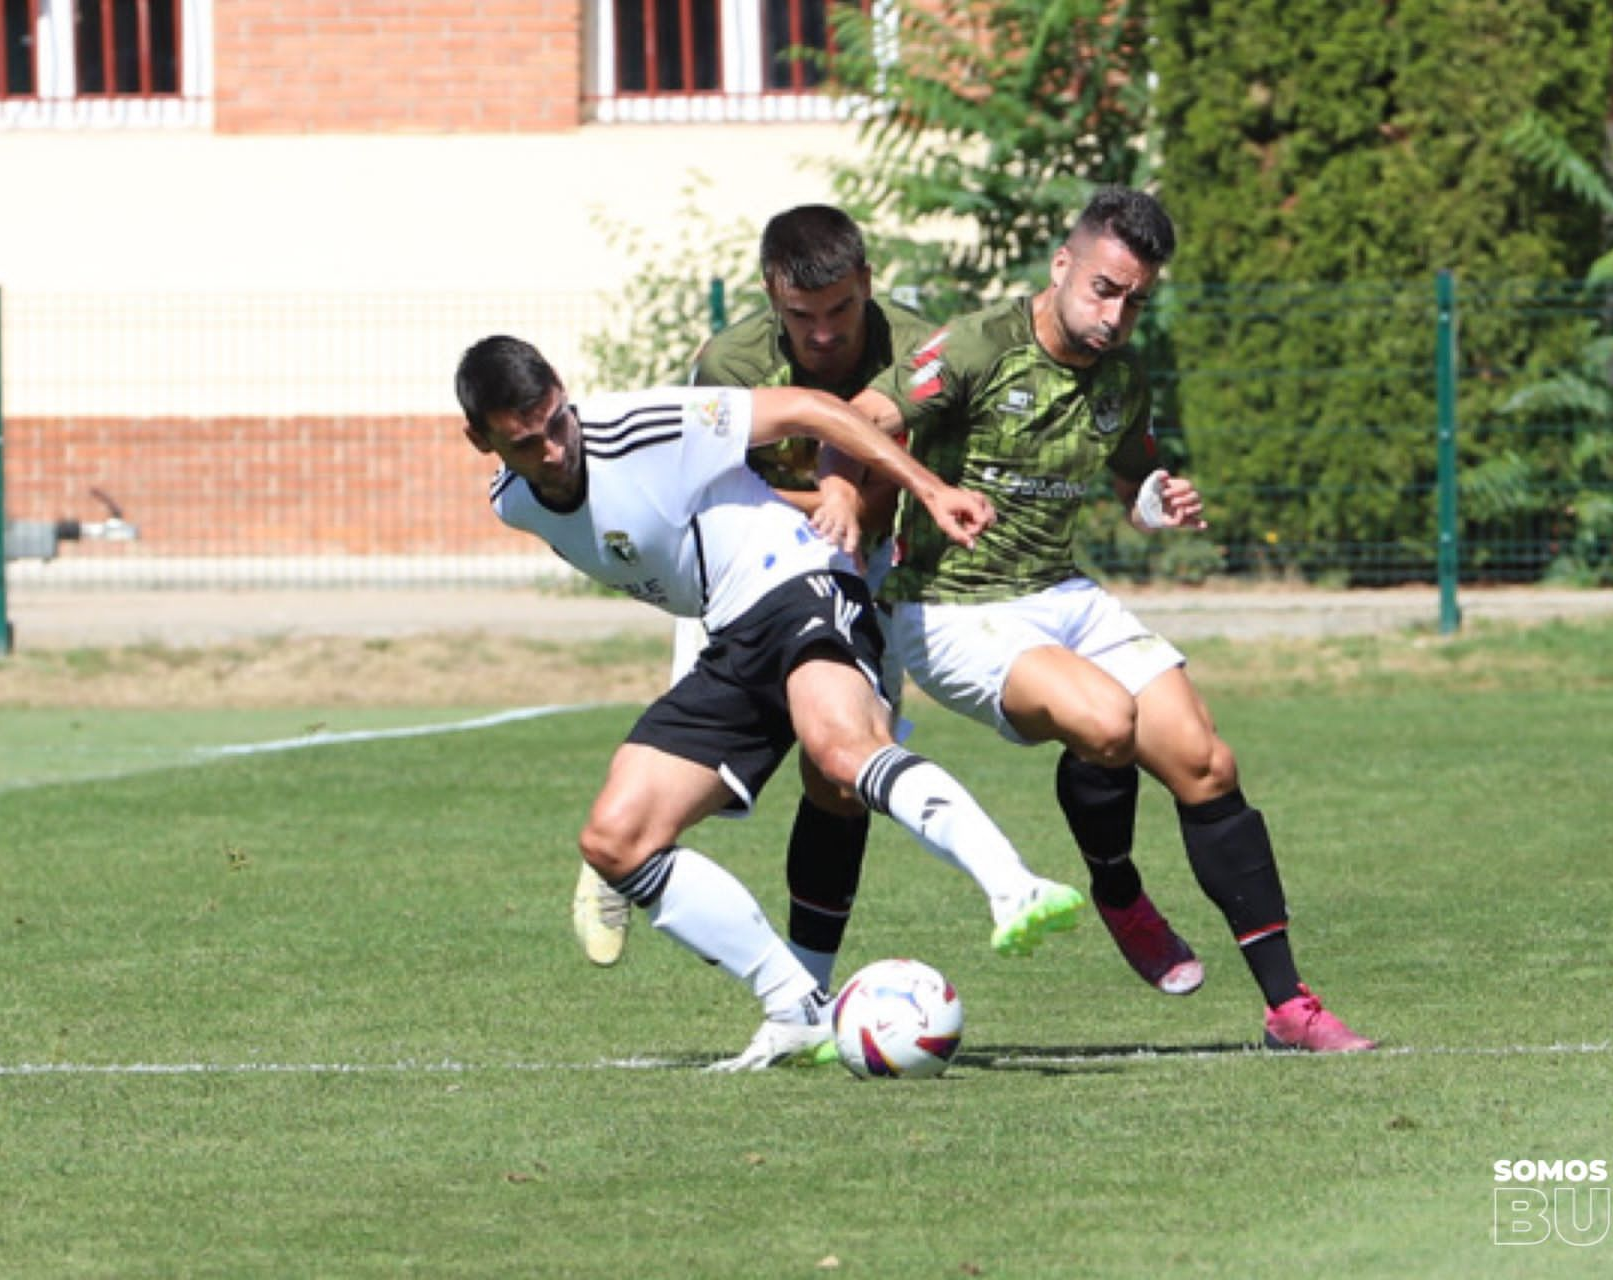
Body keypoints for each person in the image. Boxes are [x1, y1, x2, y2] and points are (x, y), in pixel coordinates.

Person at [455, 334, 1084, 1070]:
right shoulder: (513, 502)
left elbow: (813, 409)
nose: (556, 450)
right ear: (482, 440)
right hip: (730, 635)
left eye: (558, 422)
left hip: (798, 580)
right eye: (527, 442)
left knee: (841, 753)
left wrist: (929, 490)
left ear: (566, 394)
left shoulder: (639, 427)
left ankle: (1013, 886)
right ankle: (798, 1007)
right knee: (615, 840)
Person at [843, 187, 1376, 1051]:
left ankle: (1290, 1008)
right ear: (1063, 266)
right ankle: (1119, 888)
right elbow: (862, 419)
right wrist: (927, 490)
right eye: (1102, 288)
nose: (1115, 313)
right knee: (1106, 719)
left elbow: (1136, 486)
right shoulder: (979, 345)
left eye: (1134, 299)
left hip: (1057, 591)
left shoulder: (1123, 381)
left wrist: (1157, 504)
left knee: (1206, 762)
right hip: (948, 607)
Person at [571, 204, 938, 990]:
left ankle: (812, 986)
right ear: (772, 296)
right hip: (738, 572)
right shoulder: (731, 365)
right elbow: (713, 497)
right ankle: (618, 857)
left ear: (867, 283)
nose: (826, 333)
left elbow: (877, 513)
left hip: (860, 566)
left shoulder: (914, 351)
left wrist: (847, 503)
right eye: (802, 316)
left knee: (841, 775)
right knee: (687, 779)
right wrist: (828, 502)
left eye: (842, 308)